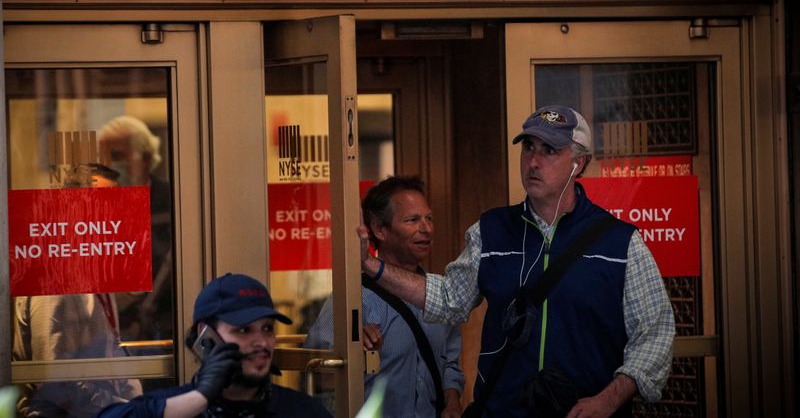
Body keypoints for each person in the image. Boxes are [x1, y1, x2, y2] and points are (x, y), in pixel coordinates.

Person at [359, 106, 675, 417]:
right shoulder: (491, 231)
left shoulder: (620, 243)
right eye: (528, 148)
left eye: (549, 150)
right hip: (504, 410)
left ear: (578, 163)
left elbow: (655, 333)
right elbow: (448, 298)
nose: (533, 162)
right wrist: (372, 266)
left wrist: (609, 400)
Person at [305, 176, 465, 417]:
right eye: (412, 220)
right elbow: (316, 374)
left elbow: (449, 364)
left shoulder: (440, 295)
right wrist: (354, 353)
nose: (427, 229)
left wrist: (452, 403)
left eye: (428, 218)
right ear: (380, 229)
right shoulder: (355, 298)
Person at [97, 273, 331, 417]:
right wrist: (201, 397)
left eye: (267, 328)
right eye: (243, 330)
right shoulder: (176, 407)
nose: (261, 342)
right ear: (206, 337)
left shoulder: (302, 410)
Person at [13, 163, 143, 417]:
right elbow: (55, 381)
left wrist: (135, 403)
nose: (116, 213)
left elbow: (113, 350)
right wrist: (119, 407)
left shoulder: (92, 267)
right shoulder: (54, 275)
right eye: (104, 203)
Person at [98, 115, 173, 343]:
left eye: (118, 156)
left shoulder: (173, 203)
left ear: (147, 158)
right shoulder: (96, 206)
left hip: (164, 336)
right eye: (103, 158)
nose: (109, 166)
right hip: (108, 337)